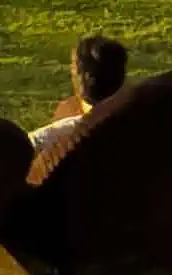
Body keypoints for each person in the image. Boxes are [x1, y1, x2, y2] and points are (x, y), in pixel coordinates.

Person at [26, 30, 127, 181]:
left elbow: (26, 147)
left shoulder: (66, 125)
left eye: (74, 68)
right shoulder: (143, 117)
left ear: (83, 77)